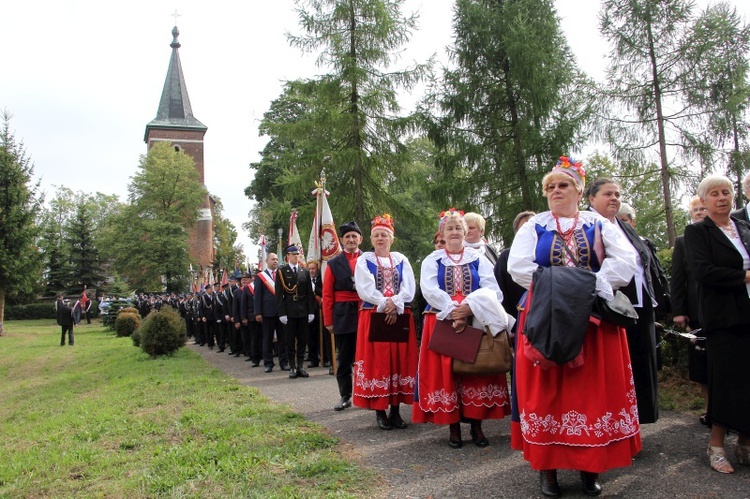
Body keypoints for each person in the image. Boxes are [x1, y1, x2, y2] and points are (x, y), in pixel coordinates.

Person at [509, 157, 641, 497]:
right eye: (550, 187)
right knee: (546, 392)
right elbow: (519, 266)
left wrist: (593, 283)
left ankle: (589, 468)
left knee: (591, 395)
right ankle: (547, 469)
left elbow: (624, 260)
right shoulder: (534, 225)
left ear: (579, 191)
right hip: (545, 314)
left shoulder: (598, 223)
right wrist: (562, 285)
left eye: (562, 185)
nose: (555, 191)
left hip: (592, 317)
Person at [414, 208, 514, 449]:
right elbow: (428, 289)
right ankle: (454, 427)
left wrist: (469, 307)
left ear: (466, 231)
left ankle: (477, 426)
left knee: (476, 371)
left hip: (475, 318)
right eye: (450, 228)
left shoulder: (478, 258)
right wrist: (452, 310)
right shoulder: (432, 260)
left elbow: (493, 289)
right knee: (449, 374)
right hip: (441, 319)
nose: (455, 232)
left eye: (459, 227)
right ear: (442, 233)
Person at [684, 174, 750, 474]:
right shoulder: (698, 232)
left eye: (726, 192)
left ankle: (745, 442)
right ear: (705, 200)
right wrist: (745, 277)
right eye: (714, 194)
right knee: (725, 382)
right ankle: (716, 445)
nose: (722, 197)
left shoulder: (745, 227)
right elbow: (702, 271)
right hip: (723, 317)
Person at [587, 178, 663, 424]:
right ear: (591, 199)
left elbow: (644, 263)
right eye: (608, 194)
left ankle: (637, 422)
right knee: (616, 368)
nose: (614, 199)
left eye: (617, 194)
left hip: (639, 305)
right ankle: (614, 424)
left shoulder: (622, 225)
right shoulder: (588, 225)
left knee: (641, 364)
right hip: (610, 308)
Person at [353, 214, 418, 430]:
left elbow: (409, 287)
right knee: (379, 362)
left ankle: (396, 410)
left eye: (384, 235)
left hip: (399, 313)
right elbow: (365, 288)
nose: (380, 238)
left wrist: (396, 303)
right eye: (376, 235)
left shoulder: (401, 259)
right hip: (374, 313)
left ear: (392, 239)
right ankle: (380, 410)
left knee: (399, 360)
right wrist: (385, 303)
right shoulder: (364, 260)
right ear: (371, 240)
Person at [671, 195, 710, 425]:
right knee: (702, 366)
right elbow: (678, 279)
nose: (699, 212)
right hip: (696, 311)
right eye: (695, 209)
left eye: (703, 208)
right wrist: (679, 311)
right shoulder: (684, 241)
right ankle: (708, 408)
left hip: (725, 309)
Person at [323, 221, 363, 411]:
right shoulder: (333, 263)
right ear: (341, 240)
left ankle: (367, 395)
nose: (351, 239)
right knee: (345, 358)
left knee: (365, 358)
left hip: (366, 313)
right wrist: (328, 320)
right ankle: (345, 396)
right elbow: (327, 294)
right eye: (347, 237)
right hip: (343, 316)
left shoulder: (369, 259)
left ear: (360, 239)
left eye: (354, 236)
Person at [276, 245, 316, 379]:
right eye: (293, 254)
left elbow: (310, 293)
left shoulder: (304, 271)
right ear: (288, 256)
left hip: (303, 310)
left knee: (302, 340)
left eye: (297, 254)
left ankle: (300, 366)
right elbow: (279, 295)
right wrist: (281, 313)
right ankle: (292, 366)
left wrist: (311, 311)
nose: (296, 257)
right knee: (289, 340)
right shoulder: (282, 272)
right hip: (289, 310)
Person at [494, 210, 535, 323]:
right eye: (524, 229)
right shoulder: (507, 256)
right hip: (516, 321)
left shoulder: (547, 255)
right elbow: (499, 290)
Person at [255, 253, 288, 373]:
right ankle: (268, 363)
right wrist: (258, 312)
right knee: (267, 339)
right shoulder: (260, 277)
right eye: (273, 259)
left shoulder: (282, 274)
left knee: (282, 339)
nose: (275, 261)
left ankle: (284, 362)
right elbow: (257, 295)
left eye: (276, 259)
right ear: (267, 261)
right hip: (267, 312)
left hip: (282, 312)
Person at [305, 260, 331, 368]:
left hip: (322, 310)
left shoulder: (322, 279)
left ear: (318, 269)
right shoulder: (305, 280)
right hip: (310, 311)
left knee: (324, 336)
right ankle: (313, 359)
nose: (311, 271)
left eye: (313, 269)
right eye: (309, 269)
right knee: (311, 336)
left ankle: (326, 358)